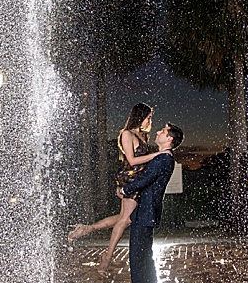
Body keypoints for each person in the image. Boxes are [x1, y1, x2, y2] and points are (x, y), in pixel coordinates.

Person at [67, 103, 171, 270]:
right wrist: (158, 154)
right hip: (129, 179)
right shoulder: (126, 134)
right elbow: (132, 161)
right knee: (125, 220)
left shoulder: (142, 136)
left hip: (138, 180)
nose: (149, 121)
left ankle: (86, 229)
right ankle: (106, 258)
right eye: (148, 118)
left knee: (126, 217)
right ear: (140, 116)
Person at [119, 120, 183, 283]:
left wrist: (125, 189)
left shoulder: (163, 159)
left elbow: (145, 180)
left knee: (138, 260)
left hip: (145, 213)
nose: (158, 132)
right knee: (145, 259)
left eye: (163, 131)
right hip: (147, 212)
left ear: (169, 139)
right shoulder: (164, 158)